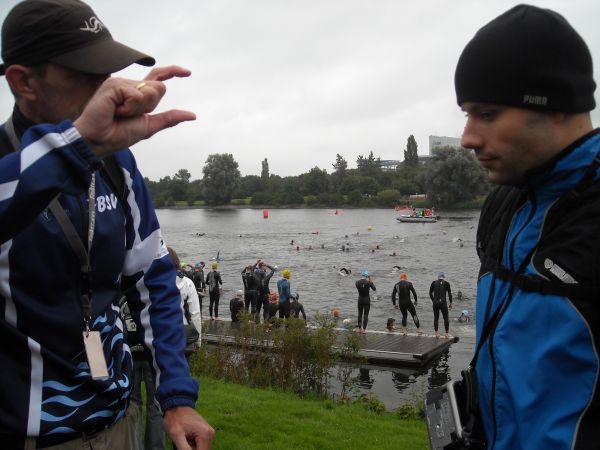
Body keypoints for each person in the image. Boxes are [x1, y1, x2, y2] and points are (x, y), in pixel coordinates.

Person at [0, 1, 215, 448]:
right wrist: (76, 146)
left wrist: (176, 397)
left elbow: (154, 282)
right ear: (23, 81)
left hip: (118, 423)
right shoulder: (8, 162)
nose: (106, 88)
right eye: (86, 73)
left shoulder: (117, 164)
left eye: (108, 73)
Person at [455, 5, 600, 448]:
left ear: (554, 105)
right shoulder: (503, 201)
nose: (467, 137)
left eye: (487, 114)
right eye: (466, 114)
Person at [429, 272, 453, 338]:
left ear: (438, 277)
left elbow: (430, 293)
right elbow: (450, 294)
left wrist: (433, 300)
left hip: (435, 303)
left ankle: (437, 333)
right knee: (446, 318)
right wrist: (451, 303)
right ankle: (446, 334)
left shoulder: (433, 283)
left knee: (436, 318)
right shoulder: (447, 283)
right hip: (443, 303)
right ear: (443, 277)